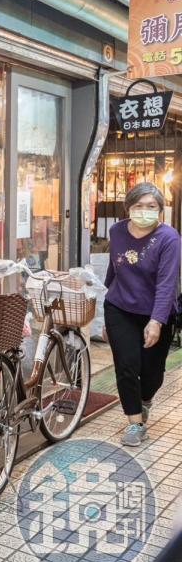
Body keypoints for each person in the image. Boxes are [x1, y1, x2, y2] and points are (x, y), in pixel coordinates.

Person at [104, 182, 181, 446]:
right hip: (119, 306)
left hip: (156, 311)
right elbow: (114, 269)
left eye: (152, 206)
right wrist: (107, 310)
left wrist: (157, 321)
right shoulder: (116, 231)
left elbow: (167, 284)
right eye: (139, 206)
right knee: (126, 366)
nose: (145, 211)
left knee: (152, 373)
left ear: (160, 209)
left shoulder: (169, 238)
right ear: (129, 208)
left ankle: (145, 399)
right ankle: (135, 424)